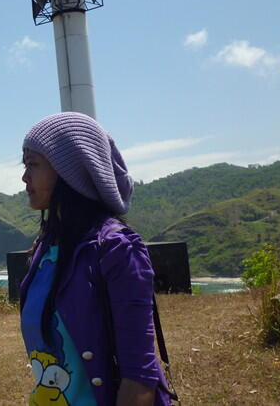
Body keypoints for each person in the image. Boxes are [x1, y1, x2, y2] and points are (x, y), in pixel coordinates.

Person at [19, 112, 172, 406]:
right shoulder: (47, 248)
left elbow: (139, 377)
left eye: (33, 164)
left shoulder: (117, 248)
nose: (24, 177)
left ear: (69, 171)